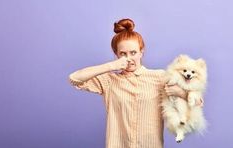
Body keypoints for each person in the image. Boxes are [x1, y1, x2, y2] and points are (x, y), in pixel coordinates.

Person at [69, 18, 199, 148]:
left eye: (133, 52)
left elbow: (197, 102)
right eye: (123, 54)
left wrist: (180, 92)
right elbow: (74, 79)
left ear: (141, 52)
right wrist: (110, 66)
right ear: (116, 55)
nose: (129, 58)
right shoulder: (109, 81)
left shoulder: (159, 77)